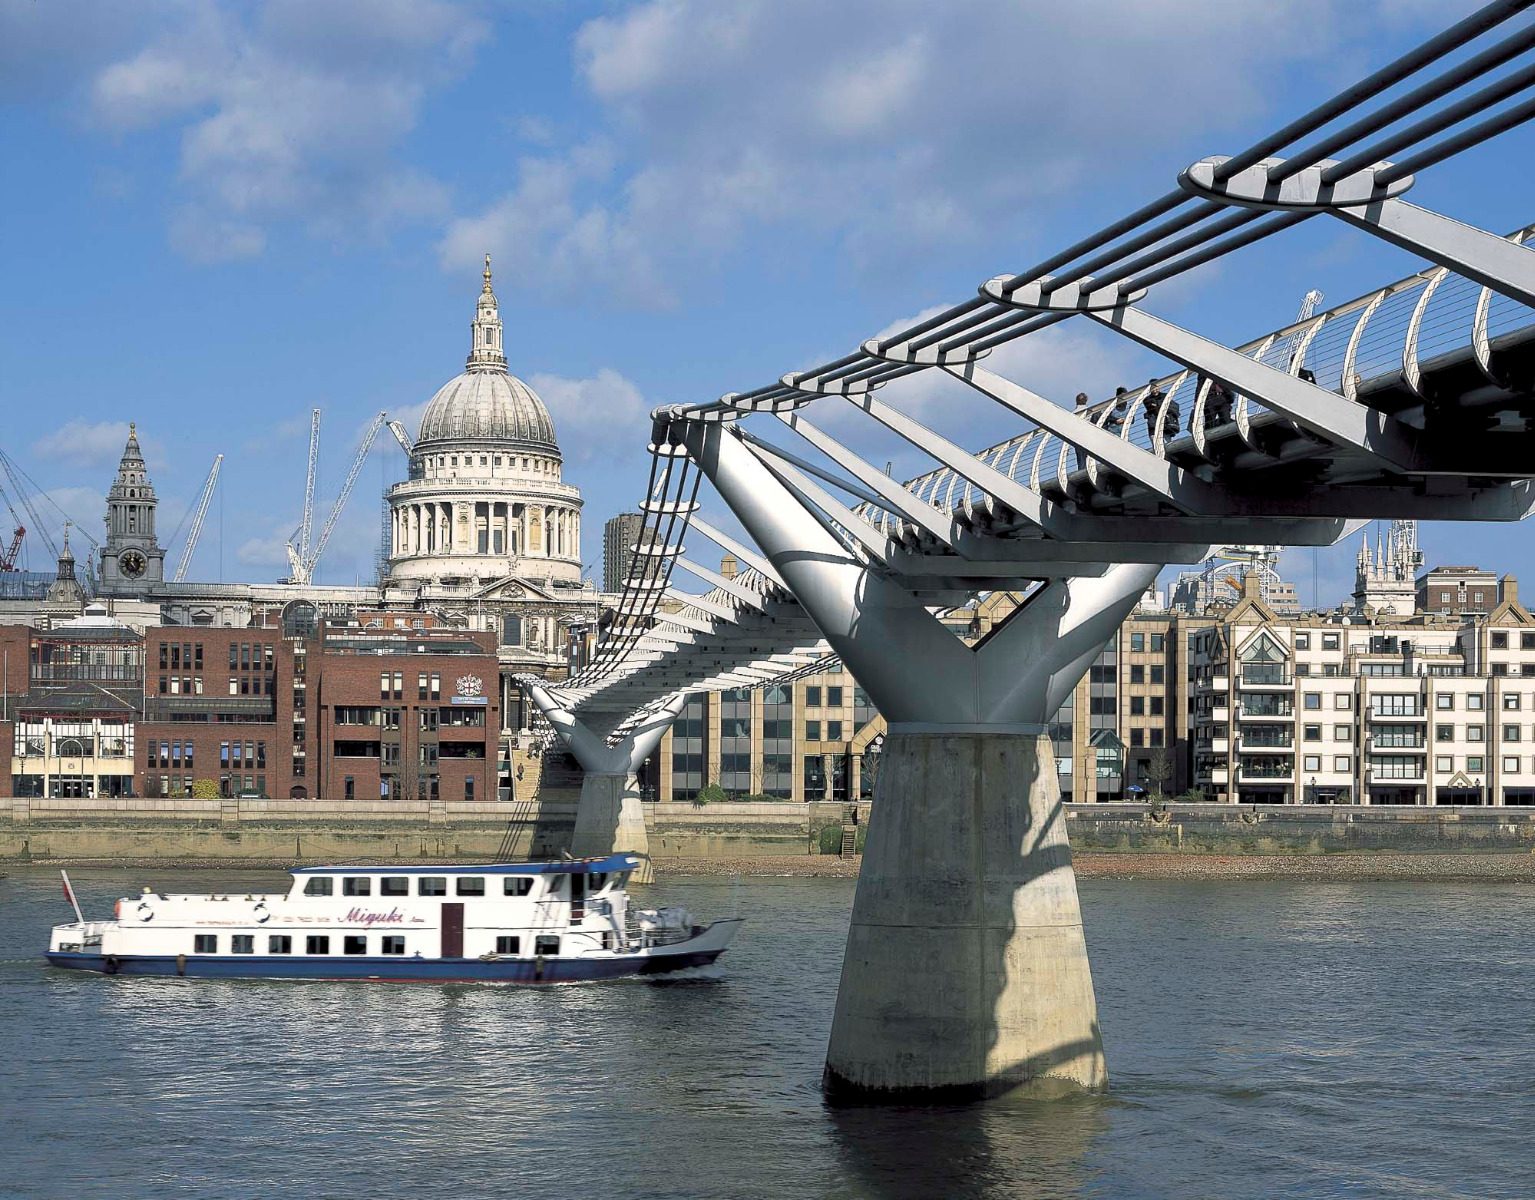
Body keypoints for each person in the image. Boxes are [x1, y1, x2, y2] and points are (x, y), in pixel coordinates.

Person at [1073, 392, 1090, 471]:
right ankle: (1089, 470)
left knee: (1080, 458)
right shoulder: (1089, 411)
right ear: (1085, 400)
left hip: (1077, 437)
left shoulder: (1073, 413)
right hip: (1087, 436)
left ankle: (1082, 473)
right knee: (1089, 457)